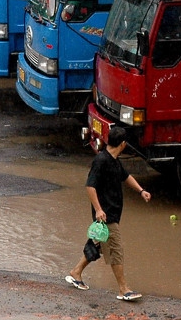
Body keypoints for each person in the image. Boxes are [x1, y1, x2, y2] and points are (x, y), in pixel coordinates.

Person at [65, 125, 151, 301]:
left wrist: (141, 191)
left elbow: (126, 177)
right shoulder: (101, 161)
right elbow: (90, 186)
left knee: (97, 245)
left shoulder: (114, 160)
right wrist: (98, 209)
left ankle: (76, 272)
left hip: (111, 213)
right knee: (115, 251)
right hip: (106, 216)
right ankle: (123, 289)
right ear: (123, 144)